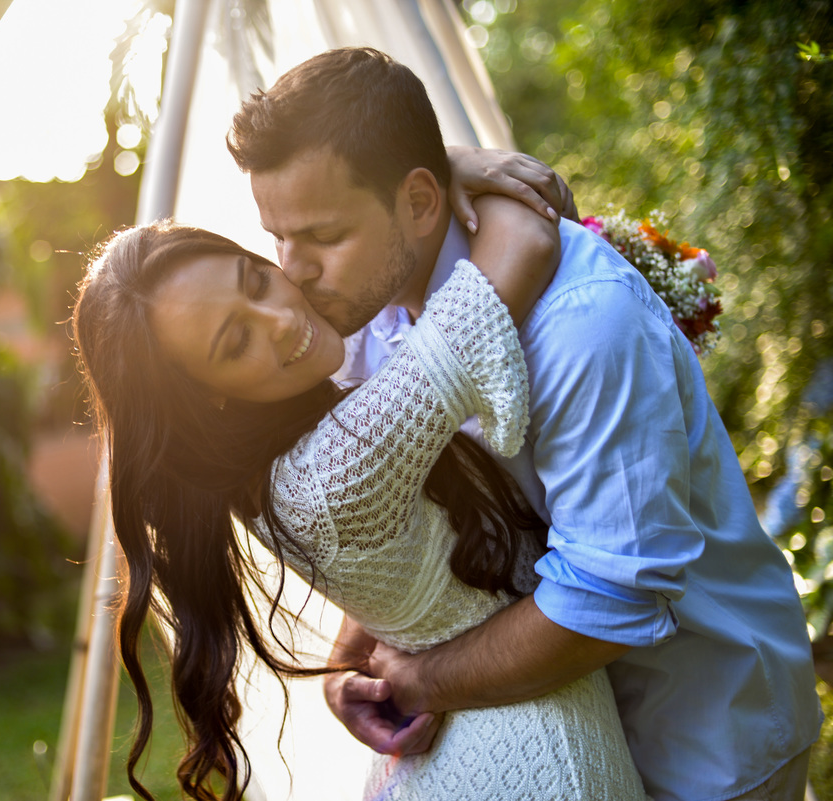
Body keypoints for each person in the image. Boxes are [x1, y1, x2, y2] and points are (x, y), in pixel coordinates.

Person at [226, 46, 822, 801]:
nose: (293, 270)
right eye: (278, 236)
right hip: (553, 723)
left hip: (704, 732)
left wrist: (421, 678)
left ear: (418, 203)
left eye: (321, 236)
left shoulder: (583, 324)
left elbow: (612, 598)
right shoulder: (358, 317)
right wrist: (352, 661)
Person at [72, 187, 649, 800]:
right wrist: (458, 168)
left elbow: (412, 558)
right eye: (236, 341)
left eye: (257, 280)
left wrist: (345, 665)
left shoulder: (280, 462)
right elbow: (524, 238)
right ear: (205, 398)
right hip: (536, 764)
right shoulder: (341, 467)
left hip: (459, 752)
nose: (282, 319)